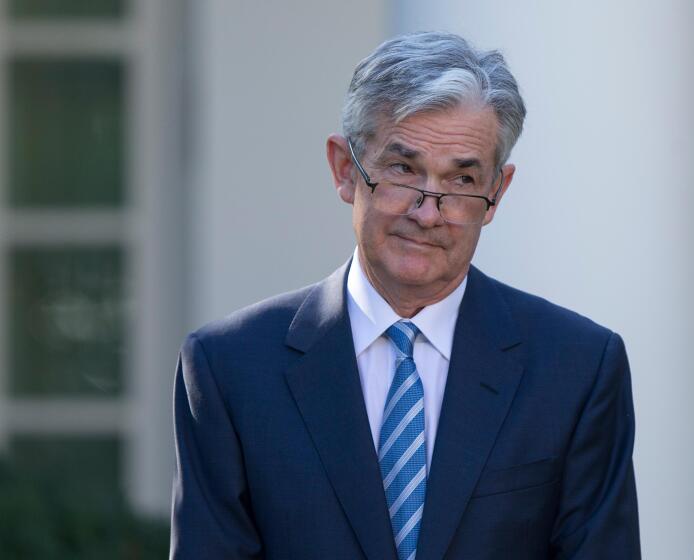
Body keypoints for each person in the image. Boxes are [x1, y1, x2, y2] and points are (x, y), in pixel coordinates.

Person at [170, 31, 641, 560]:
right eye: (403, 169)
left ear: (496, 194)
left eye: (461, 179)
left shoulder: (576, 368)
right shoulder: (230, 370)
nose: (428, 211)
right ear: (345, 169)